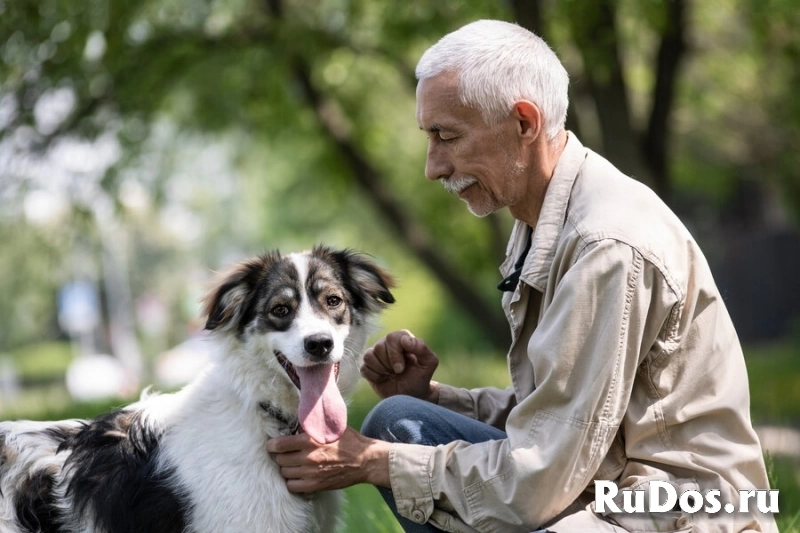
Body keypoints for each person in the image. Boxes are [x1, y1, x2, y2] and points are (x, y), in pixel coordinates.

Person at [267, 19, 777, 532]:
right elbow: (567, 412)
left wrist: (371, 462)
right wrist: (436, 398)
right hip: (608, 479)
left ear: (525, 124)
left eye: (447, 136)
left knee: (397, 452)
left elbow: (541, 478)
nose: (433, 166)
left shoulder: (607, 246)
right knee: (402, 420)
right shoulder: (542, 221)